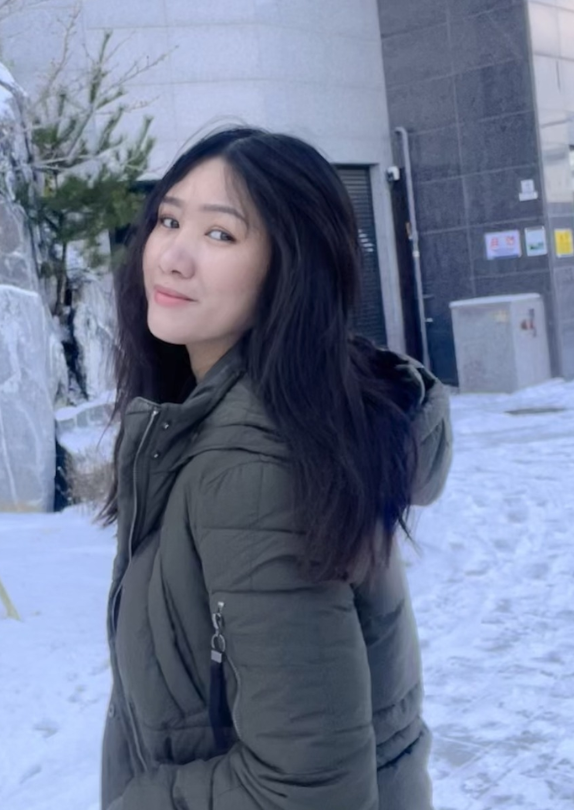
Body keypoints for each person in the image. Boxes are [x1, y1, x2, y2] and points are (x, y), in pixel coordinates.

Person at [100, 127, 452, 810]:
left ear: (291, 269)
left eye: (220, 234)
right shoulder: (241, 419)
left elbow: (307, 789)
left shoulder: (253, 469)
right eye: (168, 220)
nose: (172, 257)